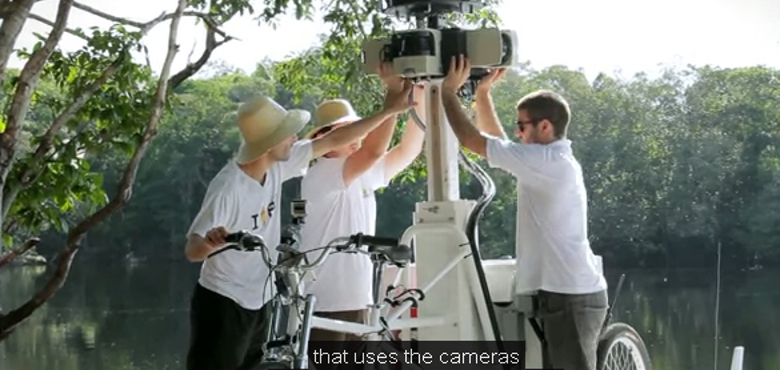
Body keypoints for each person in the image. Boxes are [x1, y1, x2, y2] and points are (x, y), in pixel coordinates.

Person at [182, 82, 416, 370]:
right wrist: (211, 242)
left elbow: (333, 140)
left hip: (260, 296)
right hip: (225, 300)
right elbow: (193, 250)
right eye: (286, 134)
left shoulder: (279, 166)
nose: (294, 138)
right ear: (269, 144)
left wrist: (389, 109)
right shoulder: (229, 187)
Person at [438, 55, 608, 370]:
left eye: (522, 125)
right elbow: (499, 145)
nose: (517, 132)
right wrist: (482, 96)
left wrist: (447, 93)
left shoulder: (548, 163)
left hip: (571, 296)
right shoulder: (545, 160)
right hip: (562, 293)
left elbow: (474, 141)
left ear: (545, 126)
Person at [300, 63, 426, 368]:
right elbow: (372, 151)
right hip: (326, 304)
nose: (357, 135)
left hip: (358, 299)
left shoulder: (360, 174)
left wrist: (418, 95)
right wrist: (394, 94)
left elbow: (409, 150)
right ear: (325, 139)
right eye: (346, 130)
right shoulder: (322, 173)